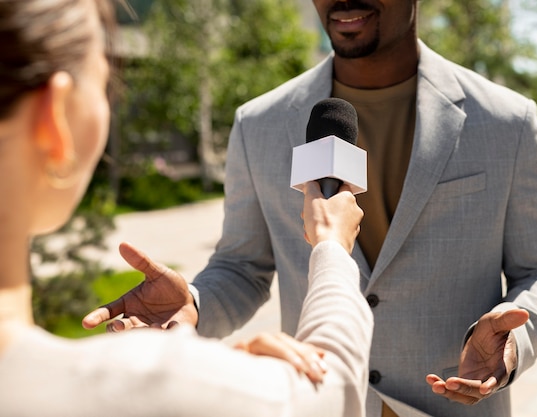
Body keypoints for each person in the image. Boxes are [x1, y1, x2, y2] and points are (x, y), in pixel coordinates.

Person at [84, 1, 537, 416]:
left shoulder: (507, 122)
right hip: (316, 402)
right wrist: (196, 303)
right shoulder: (259, 123)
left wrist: (513, 340)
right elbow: (242, 267)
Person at [0, 1, 374, 416]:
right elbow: (334, 388)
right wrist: (332, 247)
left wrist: (220, 372)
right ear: (54, 117)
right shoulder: (157, 384)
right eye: (107, 85)